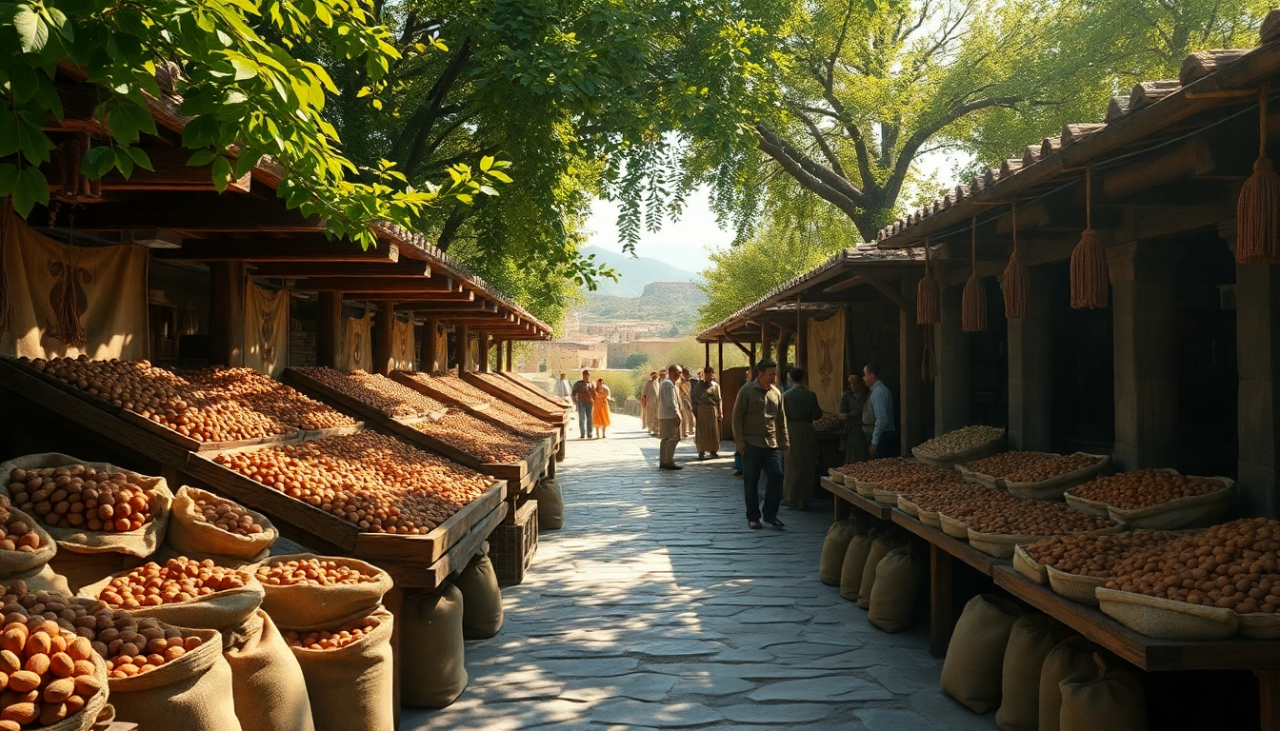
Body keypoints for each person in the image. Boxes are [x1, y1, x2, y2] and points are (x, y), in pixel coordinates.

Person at [733, 358, 788, 530]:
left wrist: (785, 438)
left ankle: (771, 513)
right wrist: (739, 441)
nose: (773, 377)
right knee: (751, 481)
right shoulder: (746, 391)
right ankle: (753, 517)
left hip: (771, 444)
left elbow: (781, 417)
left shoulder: (776, 392)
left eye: (775, 374)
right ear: (760, 374)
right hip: (751, 443)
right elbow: (737, 417)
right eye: (770, 374)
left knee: (777, 475)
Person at [782, 367, 824, 511]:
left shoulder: (786, 396)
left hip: (791, 430)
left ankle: (790, 496)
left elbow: (781, 415)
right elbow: (817, 415)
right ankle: (803, 499)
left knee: (792, 464)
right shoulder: (810, 395)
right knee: (807, 464)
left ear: (790, 379)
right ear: (803, 378)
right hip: (807, 430)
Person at [864, 363, 899, 458]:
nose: (864, 378)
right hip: (882, 435)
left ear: (872, 375)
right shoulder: (877, 391)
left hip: (883, 437)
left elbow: (882, 419)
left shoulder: (878, 392)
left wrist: (874, 442)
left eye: (865, 375)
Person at [839, 374, 871, 464]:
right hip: (852, 429)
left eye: (854, 383)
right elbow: (842, 413)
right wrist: (847, 416)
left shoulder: (866, 395)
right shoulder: (846, 397)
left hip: (864, 429)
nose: (852, 386)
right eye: (850, 383)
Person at [657, 365, 683, 470]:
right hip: (670, 416)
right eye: (678, 372)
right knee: (672, 438)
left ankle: (664, 461)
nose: (679, 375)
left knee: (666, 439)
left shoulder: (667, 383)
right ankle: (668, 461)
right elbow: (671, 401)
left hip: (666, 415)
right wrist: (676, 413)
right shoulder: (669, 384)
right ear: (673, 372)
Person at [694, 367, 722, 460]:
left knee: (713, 430)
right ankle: (701, 451)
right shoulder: (699, 386)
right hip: (702, 409)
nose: (709, 376)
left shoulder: (715, 386)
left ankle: (713, 450)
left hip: (712, 409)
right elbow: (694, 399)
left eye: (711, 374)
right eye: (707, 374)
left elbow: (719, 400)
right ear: (704, 375)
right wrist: (695, 411)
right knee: (702, 431)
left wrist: (720, 412)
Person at [571, 369, 595, 439]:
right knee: (582, 418)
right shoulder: (578, 383)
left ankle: (589, 433)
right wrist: (575, 401)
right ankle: (582, 433)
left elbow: (594, 394)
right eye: (587, 374)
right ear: (583, 375)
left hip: (589, 402)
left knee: (589, 417)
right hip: (581, 402)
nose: (588, 376)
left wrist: (595, 401)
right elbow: (573, 393)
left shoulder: (591, 384)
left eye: (588, 375)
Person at [678, 367, 695, 439]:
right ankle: (683, 432)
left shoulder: (688, 382)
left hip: (688, 400)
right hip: (682, 401)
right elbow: (681, 393)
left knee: (690, 416)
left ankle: (691, 429)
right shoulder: (679, 382)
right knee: (683, 417)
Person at [641, 371, 660, 436]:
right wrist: (644, 401)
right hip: (650, 401)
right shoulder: (648, 383)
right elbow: (644, 393)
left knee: (657, 415)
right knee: (650, 416)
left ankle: (656, 429)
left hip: (657, 402)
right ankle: (650, 427)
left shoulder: (658, 382)